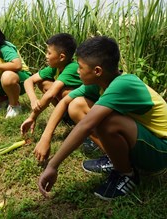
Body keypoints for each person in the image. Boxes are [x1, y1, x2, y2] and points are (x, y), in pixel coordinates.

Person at [38, 36, 167, 200]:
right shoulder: (100, 82)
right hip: (143, 138)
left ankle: (126, 174)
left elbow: (85, 126)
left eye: (80, 67)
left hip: (161, 150)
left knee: (106, 122)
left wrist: (52, 165)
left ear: (97, 71)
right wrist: (46, 137)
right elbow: (65, 102)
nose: (77, 71)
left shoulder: (124, 84)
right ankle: (116, 159)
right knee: (77, 105)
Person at [20, 33, 82, 136]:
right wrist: (33, 99)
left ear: (61, 57)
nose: (46, 56)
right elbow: (28, 81)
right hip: (67, 104)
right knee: (43, 83)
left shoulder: (72, 67)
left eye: (49, 53)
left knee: (63, 92)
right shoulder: (55, 66)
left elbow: (50, 95)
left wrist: (32, 117)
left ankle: (73, 119)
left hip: (80, 106)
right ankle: (64, 116)